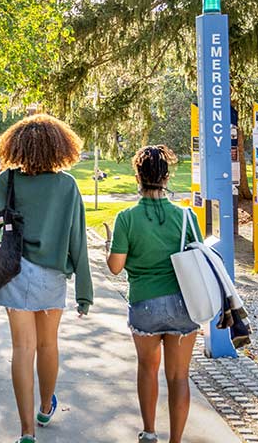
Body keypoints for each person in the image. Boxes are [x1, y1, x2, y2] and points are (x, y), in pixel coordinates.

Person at [0, 114, 93, 443]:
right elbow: (78, 239)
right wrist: (85, 293)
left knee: (22, 348)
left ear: (15, 145)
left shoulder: (6, 181)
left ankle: (26, 432)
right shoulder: (67, 185)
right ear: (59, 147)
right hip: (51, 275)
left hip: (13, 271)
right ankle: (46, 406)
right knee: (48, 344)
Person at [107, 145, 200, 443]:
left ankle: (149, 432)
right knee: (179, 376)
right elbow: (200, 261)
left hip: (144, 305)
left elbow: (115, 268)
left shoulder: (126, 218)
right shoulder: (186, 217)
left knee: (147, 368)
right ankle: (176, 440)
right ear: (167, 176)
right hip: (183, 304)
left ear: (138, 176)